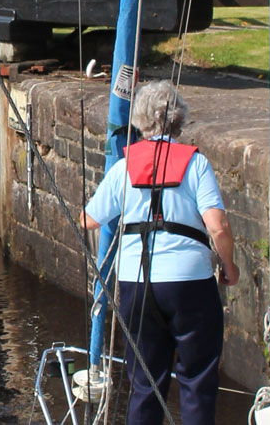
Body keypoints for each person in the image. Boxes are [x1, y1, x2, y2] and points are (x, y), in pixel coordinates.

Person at [81, 81, 238, 425]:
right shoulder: (196, 164)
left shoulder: (124, 167)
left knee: (145, 383)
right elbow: (219, 226)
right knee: (197, 379)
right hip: (189, 283)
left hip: (136, 284)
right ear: (179, 119)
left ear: (139, 122)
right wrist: (228, 266)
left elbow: (90, 220)